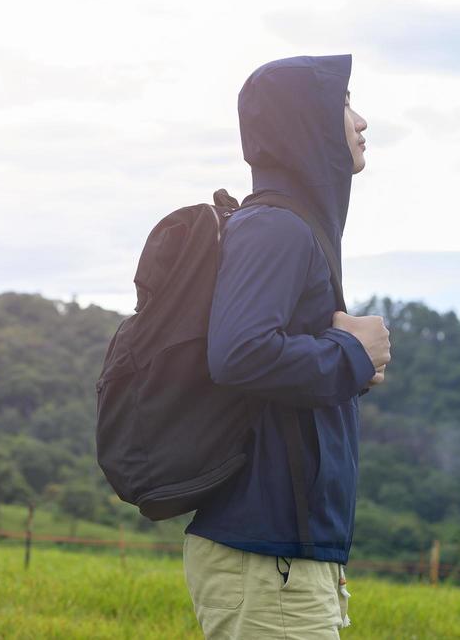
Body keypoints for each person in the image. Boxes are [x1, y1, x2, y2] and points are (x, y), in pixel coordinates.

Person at [182, 53, 391, 640]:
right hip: (268, 558)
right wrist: (351, 355)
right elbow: (239, 353)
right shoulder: (277, 226)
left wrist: (349, 360)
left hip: (285, 556)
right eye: (345, 103)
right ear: (308, 120)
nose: (362, 120)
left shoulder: (295, 226)